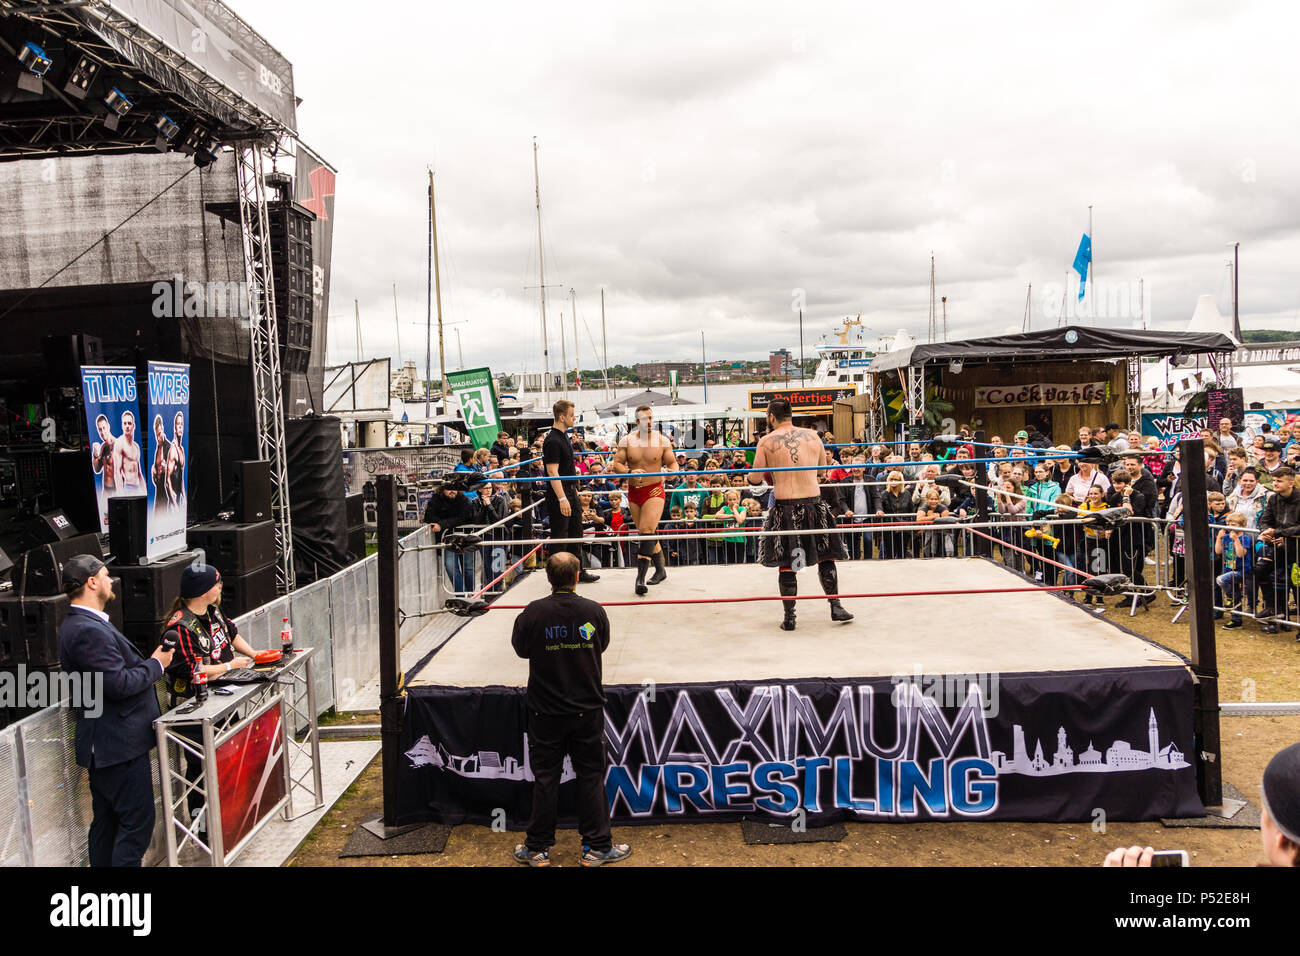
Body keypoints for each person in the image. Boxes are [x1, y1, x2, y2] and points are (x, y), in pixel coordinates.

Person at [510, 553, 629, 867]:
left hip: (545, 711)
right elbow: (599, 645)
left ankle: (537, 848)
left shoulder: (533, 612)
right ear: (577, 576)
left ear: (548, 577)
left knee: (546, 778)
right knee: (590, 776)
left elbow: (522, 650)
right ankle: (598, 847)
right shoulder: (593, 610)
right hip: (585, 709)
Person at [57, 554, 173, 867]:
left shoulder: (85, 625)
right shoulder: (87, 630)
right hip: (116, 747)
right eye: (107, 575)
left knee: (107, 827)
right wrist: (156, 665)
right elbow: (117, 684)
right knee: (135, 825)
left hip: (111, 746)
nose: (111, 581)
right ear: (92, 582)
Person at [161, 563, 257, 826]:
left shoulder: (213, 611)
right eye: (217, 583)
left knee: (232, 759)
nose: (220, 587)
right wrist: (229, 665)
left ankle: (233, 818)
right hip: (195, 711)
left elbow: (231, 635)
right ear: (204, 590)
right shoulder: (179, 627)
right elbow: (192, 669)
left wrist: (254, 655)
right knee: (201, 771)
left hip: (224, 699)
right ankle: (202, 829)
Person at [748, 399, 852, 630]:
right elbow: (823, 469)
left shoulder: (766, 441)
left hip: (785, 506)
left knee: (787, 561)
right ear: (790, 414)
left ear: (771, 416)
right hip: (814, 503)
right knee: (826, 556)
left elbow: (755, 478)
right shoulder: (813, 436)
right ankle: (836, 606)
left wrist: (767, 473)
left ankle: (790, 618)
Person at [608, 405, 677, 594]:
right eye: (645, 419)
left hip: (654, 489)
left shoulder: (662, 440)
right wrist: (629, 472)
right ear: (637, 422)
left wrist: (670, 473)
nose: (649, 422)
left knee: (646, 531)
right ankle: (661, 570)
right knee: (648, 532)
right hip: (634, 491)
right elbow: (617, 465)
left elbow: (673, 463)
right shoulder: (626, 441)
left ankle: (640, 579)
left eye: (651, 418)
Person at [542, 400, 598, 582]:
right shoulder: (552, 440)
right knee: (560, 535)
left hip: (571, 489)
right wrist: (562, 498)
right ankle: (557, 578)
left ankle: (578, 571)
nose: (575, 418)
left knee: (576, 531)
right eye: (572, 415)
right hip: (561, 492)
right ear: (562, 416)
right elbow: (552, 471)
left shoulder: (564, 436)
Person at [114, 409, 144, 492]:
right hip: (128, 487)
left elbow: (139, 473)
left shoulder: (136, 446)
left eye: (129, 423)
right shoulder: (119, 443)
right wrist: (121, 494)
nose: (127, 426)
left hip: (138, 487)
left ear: (134, 426)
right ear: (122, 426)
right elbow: (117, 472)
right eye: (125, 423)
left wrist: (144, 491)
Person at [150, 414, 173, 516]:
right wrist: (154, 472)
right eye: (156, 435)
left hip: (167, 494)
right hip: (159, 493)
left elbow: (176, 472)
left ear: (163, 429)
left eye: (159, 434)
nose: (158, 438)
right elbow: (156, 478)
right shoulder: (158, 448)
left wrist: (167, 468)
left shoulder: (169, 447)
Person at [168, 411, 186, 511]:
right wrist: (174, 504)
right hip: (173, 500)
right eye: (178, 424)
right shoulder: (173, 450)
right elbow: (167, 481)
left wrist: (185, 498)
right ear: (174, 428)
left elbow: (181, 478)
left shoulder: (181, 449)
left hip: (179, 498)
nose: (180, 427)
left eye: (181, 424)